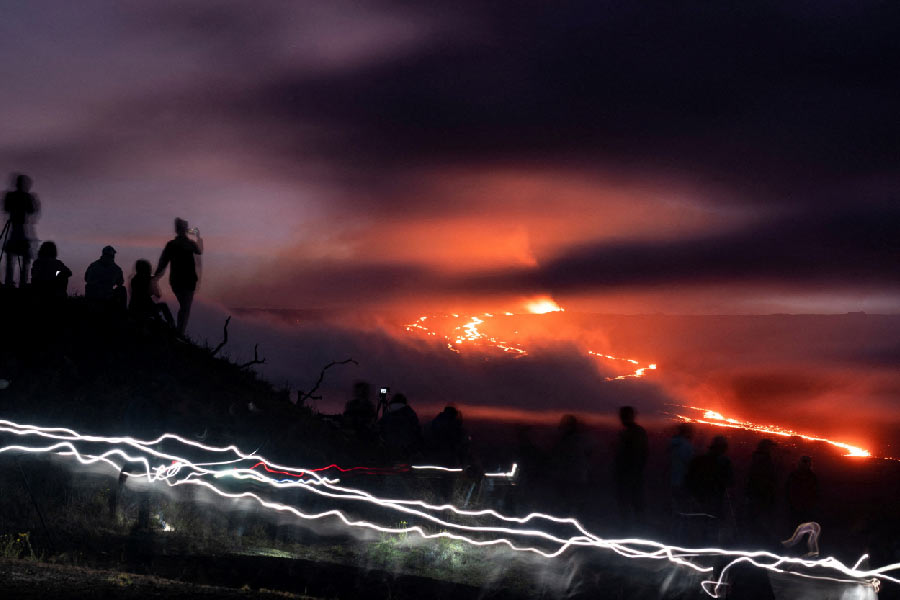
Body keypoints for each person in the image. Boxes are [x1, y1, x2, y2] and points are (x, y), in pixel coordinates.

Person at [152, 218, 202, 336]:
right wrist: (197, 236)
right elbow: (199, 251)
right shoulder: (188, 244)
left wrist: (156, 276)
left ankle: (179, 332)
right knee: (185, 308)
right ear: (184, 229)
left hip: (179, 281)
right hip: (186, 281)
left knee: (184, 307)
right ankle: (179, 333)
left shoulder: (172, 245)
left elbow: (163, 262)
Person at [686, 435, 734, 544]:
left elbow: (689, 478)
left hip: (699, 498)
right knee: (712, 526)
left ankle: (696, 545)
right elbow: (730, 481)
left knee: (699, 524)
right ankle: (709, 548)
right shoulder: (724, 462)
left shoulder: (699, 460)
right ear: (723, 448)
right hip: (715, 499)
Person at [2, 173, 40, 288]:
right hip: (21, 231)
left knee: (13, 261)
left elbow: (6, 208)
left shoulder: (11, 196)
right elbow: (32, 211)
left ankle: (10, 283)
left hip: (16, 230)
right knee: (24, 260)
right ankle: (21, 284)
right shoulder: (26, 197)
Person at [614, 406, 648, 525]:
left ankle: (631, 527)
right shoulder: (635, 432)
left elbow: (637, 453)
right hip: (632, 473)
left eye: (623, 415)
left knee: (629, 501)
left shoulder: (632, 433)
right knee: (633, 502)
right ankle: (636, 527)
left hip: (630, 473)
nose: (621, 418)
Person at [745, 439, 778, 543]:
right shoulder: (765, 461)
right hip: (762, 496)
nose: (773, 450)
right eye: (771, 447)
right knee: (760, 522)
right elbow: (766, 479)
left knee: (754, 521)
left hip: (755, 495)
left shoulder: (755, 458)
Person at [129, 259, 174, 328]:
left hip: (133, 308)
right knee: (163, 306)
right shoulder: (147, 280)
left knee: (154, 308)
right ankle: (172, 326)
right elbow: (156, 294)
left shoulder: (134, 279)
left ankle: (160, 322)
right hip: (144, 309)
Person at [378, 393, 423, 461]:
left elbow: (380, 429)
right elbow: (416, 430)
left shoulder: (387, 414)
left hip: (390, 448)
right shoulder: (409, 413)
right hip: (406, 448)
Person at [668, 423, 694, 517]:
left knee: (674, 505)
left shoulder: (672, 444)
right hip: (682, 480)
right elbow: (690, 463)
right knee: (682, 508)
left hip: (671, 479)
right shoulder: (687, 446)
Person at [786, 455, 818, 527]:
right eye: (804, 462)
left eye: (806, 462)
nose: (805, 464)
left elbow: (815, 491)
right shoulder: (811, 476)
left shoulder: (811, 476)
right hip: (798, 505)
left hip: (803, 506)